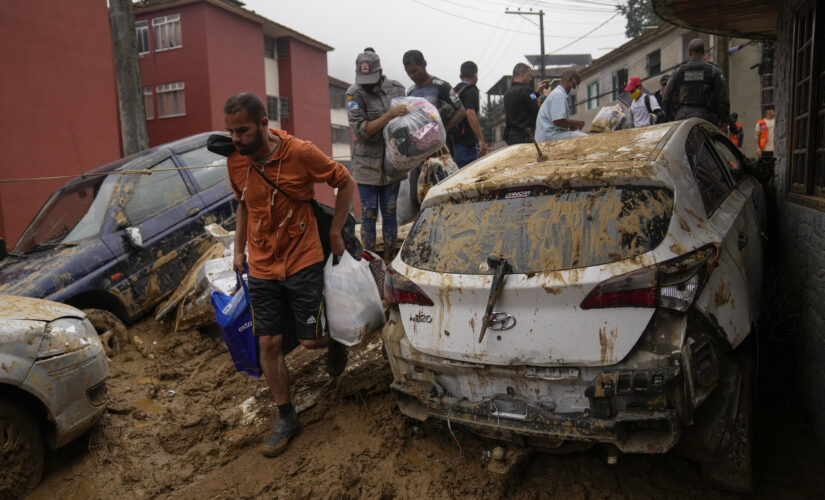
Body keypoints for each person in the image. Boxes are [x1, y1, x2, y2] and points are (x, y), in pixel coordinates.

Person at [223, 92, 356, 458]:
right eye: (230, 131)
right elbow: (243, 206)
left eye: (243, 130)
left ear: (264, 125)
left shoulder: (300, 153)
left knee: (312, 341)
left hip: (303, 260)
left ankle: (338, 342)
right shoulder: (236, 163)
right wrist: (238, 250)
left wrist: (334, 232)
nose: (235, 139)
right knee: (268, 343)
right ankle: (286, 417)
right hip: (262, 267)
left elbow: (344, 182)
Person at [346, 48, 407, 259]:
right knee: (369, 214)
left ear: (380, 72)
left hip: (392, 162)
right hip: (366, 165)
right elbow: (362, 131)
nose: (368, 84)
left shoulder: (397, 89)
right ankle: (370, 259)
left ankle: (389, 258)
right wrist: (390, 115)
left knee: (390, 212)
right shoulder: (353, 94)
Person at [402, 50, 465, 208]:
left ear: (424, 64)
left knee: (444, 190)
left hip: (441, 151)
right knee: (420, 194)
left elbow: (461, 111)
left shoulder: (441, 86)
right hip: (419, 153)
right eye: (408, 73)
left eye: (415, 71)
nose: (412, 75)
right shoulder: (410, 93)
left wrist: (443, 132)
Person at [662, 38, 730, 131]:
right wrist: (724, 120)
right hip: (706, 119)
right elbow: (723, 98)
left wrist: (670, 117)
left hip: (682, 119)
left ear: (689, 53)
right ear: (704, 52)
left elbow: (666, 97)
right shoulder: (714, 71)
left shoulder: (679, 71)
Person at [450, 61, 488, 167]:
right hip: (466, 144)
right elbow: (470, 113)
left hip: (452, 143)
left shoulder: (453, 91)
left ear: (460, 76)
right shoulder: (471, 90)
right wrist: (481, 139)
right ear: (475, 74)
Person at [503, 62, 548, 145]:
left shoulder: (507, 93)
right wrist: (546, 97)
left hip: (511, 137)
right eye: (529, 75)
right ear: (522, 74)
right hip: (525, 137)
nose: (530, 78)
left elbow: (525, 101)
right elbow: (537, 109)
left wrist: (537, 92)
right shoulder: (527, 90)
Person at [535, 70, 586, 142]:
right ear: (571, 80)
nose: (576, 88)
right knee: (585, 138)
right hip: (549, 136)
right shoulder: (559, 94)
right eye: (576, 84)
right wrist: (576, 123)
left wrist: (570, 125)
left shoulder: (558, 94)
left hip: (546, 134)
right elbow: (558, 121)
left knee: (578, 135)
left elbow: (558, 121)